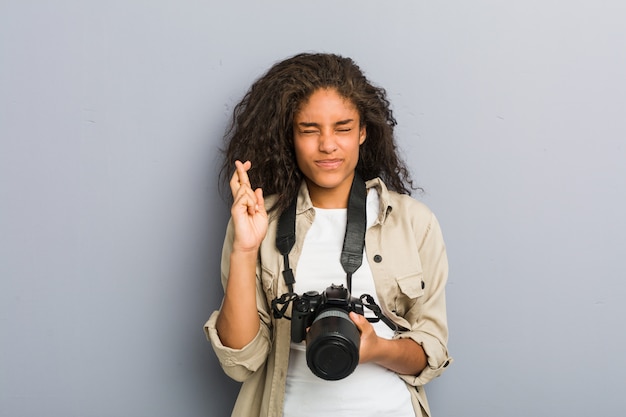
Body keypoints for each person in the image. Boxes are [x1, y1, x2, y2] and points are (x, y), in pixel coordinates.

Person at [205, 52, 452, 417]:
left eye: (343, 127)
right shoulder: (259, 221)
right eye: (309, 130)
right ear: (289, 136)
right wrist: (245, 248)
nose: (328, 145)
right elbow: (241, 362)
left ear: (363, 132)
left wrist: (374, 348)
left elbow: (430, 353)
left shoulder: (413, 222)